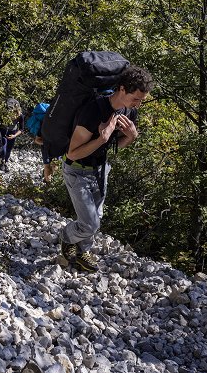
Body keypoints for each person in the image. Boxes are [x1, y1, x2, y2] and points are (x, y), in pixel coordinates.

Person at [59, 65, 153, 272]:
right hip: (77, 170)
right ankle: (66, 237)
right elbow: (72, 153)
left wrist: (132, 136)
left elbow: (113, 146)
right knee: (90, 224)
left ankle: (83, 252)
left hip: (101, 169)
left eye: (141, 100)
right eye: (136, 98)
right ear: (121, 89)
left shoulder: (128, 112)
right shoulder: (93, 111)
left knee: (96, 216)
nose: (138, 104)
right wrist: (102, 138)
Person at [0, 98, 24, 173]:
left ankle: (5, 162)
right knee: (3, 148)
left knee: (9, 149)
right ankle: (2, 161)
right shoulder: (4, 113)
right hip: (3, 131)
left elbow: (21, 129)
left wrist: (14, 135)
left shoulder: (20, 116)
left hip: (13, 133)